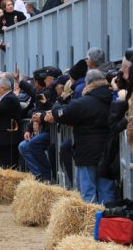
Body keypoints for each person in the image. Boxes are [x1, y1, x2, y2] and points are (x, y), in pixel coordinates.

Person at [47, 70, 115, 204]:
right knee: (107, 189)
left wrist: (57, 104)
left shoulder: (84, 103)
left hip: (87, 152)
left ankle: (91, 223)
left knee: (88, 191)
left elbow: (62, 113)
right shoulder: (113, 98)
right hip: (109, 151)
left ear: (87, 83)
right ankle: (108, 221)